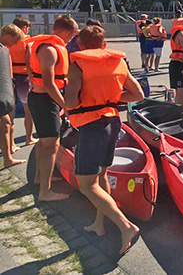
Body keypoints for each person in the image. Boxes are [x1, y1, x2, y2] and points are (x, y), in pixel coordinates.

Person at [64, 25, 142, 254]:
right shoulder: (118, 62)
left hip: (91, 127)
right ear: (104, 45)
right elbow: (138, 94)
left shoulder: (78, 65)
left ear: (80, 45)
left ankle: (125, 226)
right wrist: (110, 98)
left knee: (87, 185)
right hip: (112, 123)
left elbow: (69, 103)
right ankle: (99, 225)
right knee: (102, 175)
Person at [28, 14, 78, 201]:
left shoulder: (48, 46)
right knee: (51, 145)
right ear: (66, 31)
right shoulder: (49, 49)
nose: (71, 39)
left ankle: (40, 177)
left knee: (44, 142)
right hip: (44, 100)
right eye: (72, 35)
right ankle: (45, 192)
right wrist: (65, 104)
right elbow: (49, 83)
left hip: (44, 99)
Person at [1, 23, 37, 148]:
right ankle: (29, 138)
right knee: (28, 110)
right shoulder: (26, 42)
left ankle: (11, 145)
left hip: (9, 77)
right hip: (23, 77)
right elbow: (29, 61)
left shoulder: (4, 46)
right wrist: (32, 80)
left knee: (10, 112)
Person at [0, 36, 25, 168]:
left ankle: (8, 159)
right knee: (5, 123)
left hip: (3, 96)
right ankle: (8, 159)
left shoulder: (3, 50)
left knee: (6, 123)